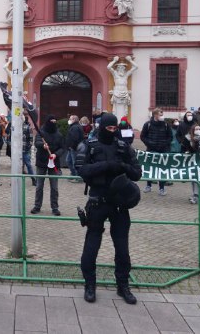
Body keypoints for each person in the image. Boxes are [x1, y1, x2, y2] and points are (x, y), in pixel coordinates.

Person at [75, 113, 142, 305]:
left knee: (122, 248)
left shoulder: (123, 147)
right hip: (98, 201)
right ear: (102, 127)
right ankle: (90, 285)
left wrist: (122, 166)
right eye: (109, 128)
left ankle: (123, 286)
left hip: (120, 204)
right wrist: (105, 166)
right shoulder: (90, 146)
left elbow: (137, 173)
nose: (112, 132)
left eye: (115, 129)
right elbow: (81, 169)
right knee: (91, 247)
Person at [32, 115, 64, 215]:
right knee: (39, 186)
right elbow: (36, 142)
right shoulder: (41, 132)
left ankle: (55, 207)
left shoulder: (59, 134)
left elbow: (62, 148)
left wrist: (56, 154)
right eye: (51, 121)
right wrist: (43, 145)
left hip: (54, 163)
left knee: (54, 187)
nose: (53, 124)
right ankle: (37, 206)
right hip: (41, 162)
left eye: (55, 122)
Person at [140, 109, 172, 195]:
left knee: (161, 169)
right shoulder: (148, 124)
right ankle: (148, 185)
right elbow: (142, 136)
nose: (162, 116)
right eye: (160, 114)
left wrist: (165, 144)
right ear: (155, 115)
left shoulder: (166, 124)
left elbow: (170, 137)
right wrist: (149, 143)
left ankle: (161, 188)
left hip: (163, 150)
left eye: (162, 114)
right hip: (151, 149)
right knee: (150, 167)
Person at [21, 112, 37, 186]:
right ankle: (15, 180)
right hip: (17, 151)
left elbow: (31, 139)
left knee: (29, 165)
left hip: (25, 150)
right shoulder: (14, 127)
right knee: (17, 166)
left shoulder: (27, 127)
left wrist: (28, 147)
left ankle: (33, 179)